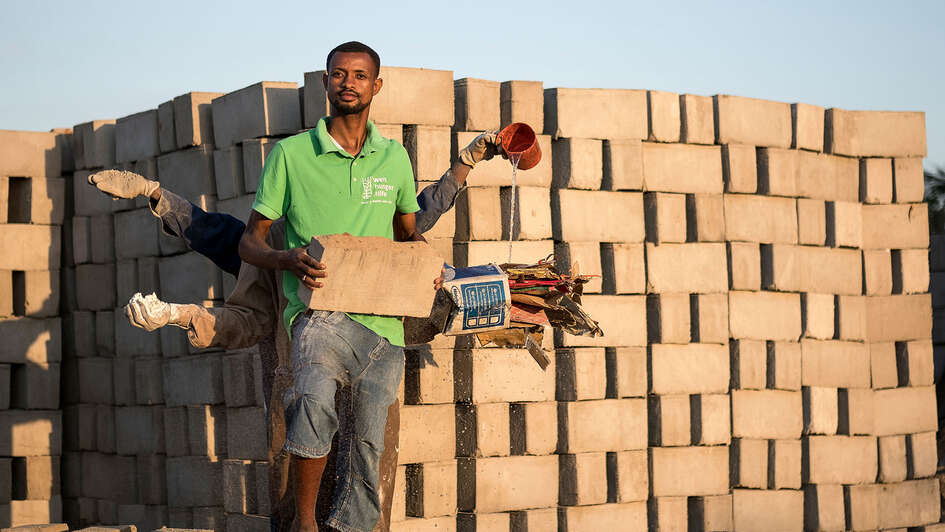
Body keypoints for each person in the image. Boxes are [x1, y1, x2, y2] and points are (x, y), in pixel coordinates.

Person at [91, 47, 503, 532]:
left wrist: (465, 165)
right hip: (303, 364)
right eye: (339, 75)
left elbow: (417, 217)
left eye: (360, 76)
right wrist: (177, 302)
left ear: (376, 85)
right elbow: (223, 260)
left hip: (375, 344)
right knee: (297, 486)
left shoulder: (383, 177)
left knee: (370, 478)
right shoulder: (280, 234)